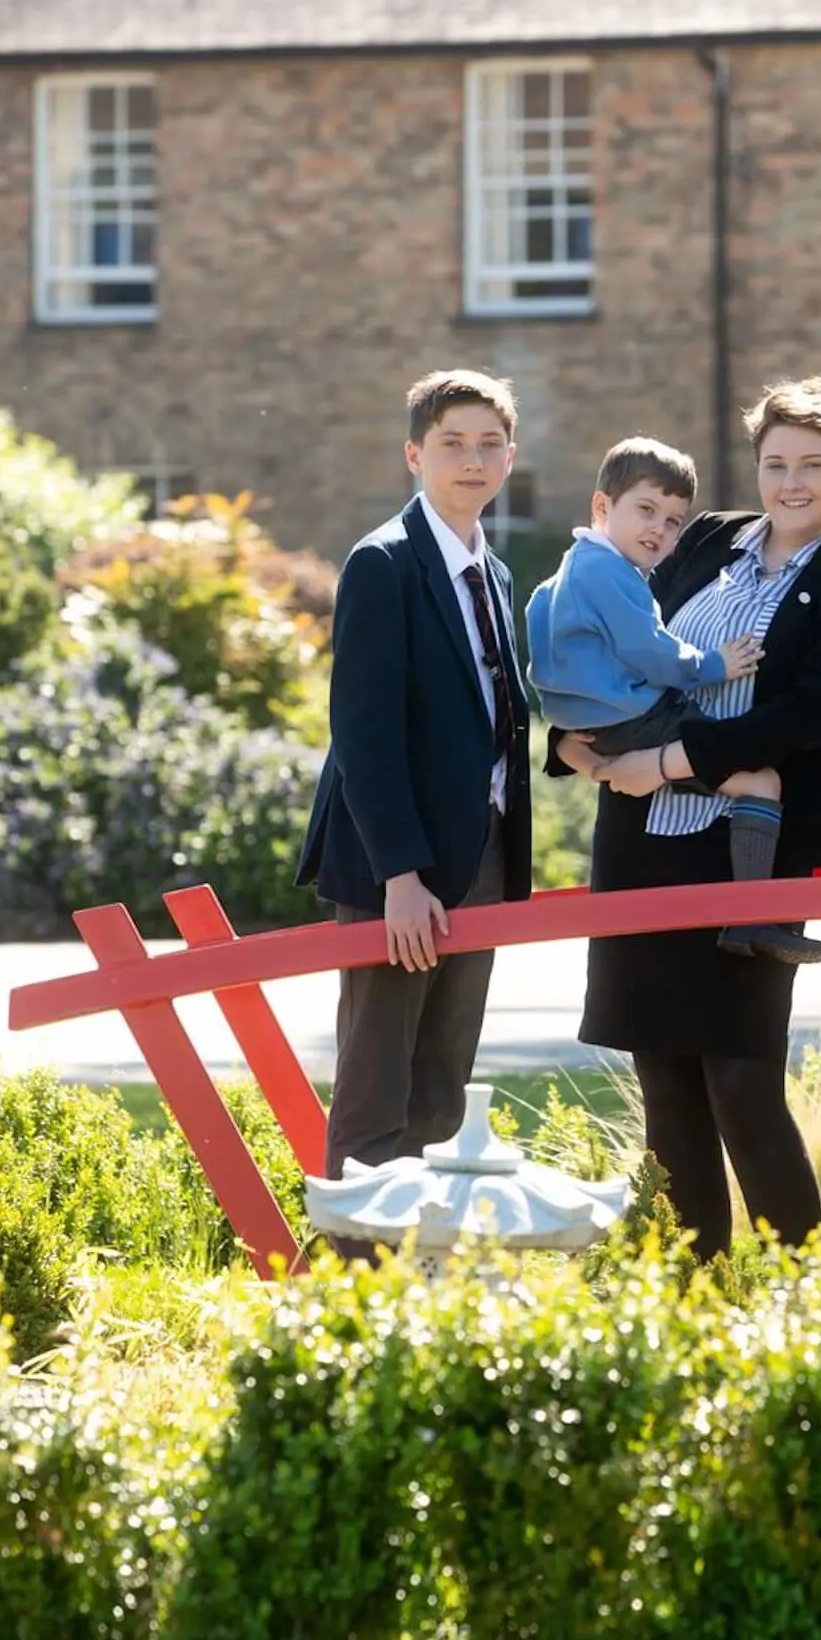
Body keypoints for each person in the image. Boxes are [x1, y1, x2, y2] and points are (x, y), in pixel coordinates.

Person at [553, 377, 821, 1260]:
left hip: (750, 855)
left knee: (742, 1079)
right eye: (775, 462)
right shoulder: (697, 538)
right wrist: (580, 746)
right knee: (665, 1086)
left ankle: (808, 1304)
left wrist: (664, 761)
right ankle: (693, 1310)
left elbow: (802, 719)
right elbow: (603, 635)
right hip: (640, 843)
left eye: (813, 466)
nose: (790, 482)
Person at [295, 368, 533, 1184]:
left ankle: (418, 1285)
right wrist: (400, 873)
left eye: (489, 444)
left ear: (511, 457)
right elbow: (364, 733)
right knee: (376, 1094)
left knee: (442, 1088)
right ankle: (355, 1292)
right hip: (400, 869)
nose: (473, 460)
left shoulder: (494, 574)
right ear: (414, 455)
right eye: (452, 443)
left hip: (484, 855)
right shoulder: (383, 564)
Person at [524, 436, 819, 964]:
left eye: (673, 520)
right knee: (760, 779)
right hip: (639, 717)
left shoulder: (565, 574)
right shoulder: (613, 575)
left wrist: (571, 725)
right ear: (601, 506)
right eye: (646, 510)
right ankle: (752, 918)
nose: (658, 529)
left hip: (599, 727)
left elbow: (541, 649)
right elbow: (650, 650)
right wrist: (715, 665)